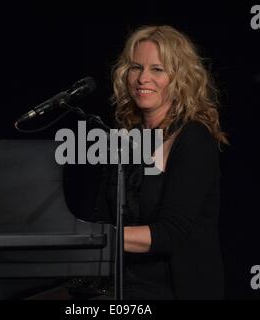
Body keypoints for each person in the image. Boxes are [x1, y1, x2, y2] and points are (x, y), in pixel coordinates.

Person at [88, 25, 229, 300]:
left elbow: (170, 234)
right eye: (136, 67)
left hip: (171, 289)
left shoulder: (194, 139)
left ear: (179, 79)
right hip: (118, 286)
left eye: (157, 69)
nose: (142, 78)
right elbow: (100, 218)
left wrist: (100, 239)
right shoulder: (125, 140)